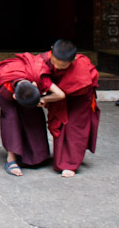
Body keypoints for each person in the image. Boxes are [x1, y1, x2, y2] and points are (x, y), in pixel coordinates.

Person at [0, 52, 65, 177]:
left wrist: (43, 100)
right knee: (11, 117)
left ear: (35, 85)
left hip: (22, 78)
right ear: (14, 97)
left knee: (33, 113)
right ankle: (11, 159)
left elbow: (60, 94)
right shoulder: (5, 89)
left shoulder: (38, 76)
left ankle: (37, 155)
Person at [39, 39, 100, 177]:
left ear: (72, 61)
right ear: (51, 51)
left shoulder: (81, 65)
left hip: (79, 99)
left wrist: (47, 98)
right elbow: (38, 75)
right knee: (60, 125)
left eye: (63, 66)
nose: (57, 67)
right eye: (55, 63)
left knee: (74, 129)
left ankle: (70, 163)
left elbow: (84, 84)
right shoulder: (43, 59)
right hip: (58, 97)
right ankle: (60, 158)